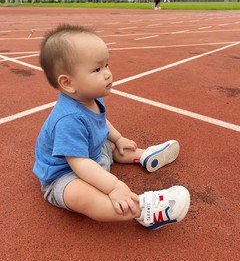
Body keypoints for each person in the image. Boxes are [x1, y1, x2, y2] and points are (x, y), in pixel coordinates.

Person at [33, 24, 190, 230]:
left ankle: (144, 155)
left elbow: (101, 122)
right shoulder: (68, 119)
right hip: (65, 174)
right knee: (81, 196)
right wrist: (114, 186)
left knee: (115, 146)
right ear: (68, 83)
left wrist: (117, 138)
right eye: (97, 69)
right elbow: (79, 164)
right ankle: (142, 210)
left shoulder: (91, 98)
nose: (107, 74)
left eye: (107, 65)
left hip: (93, 155)